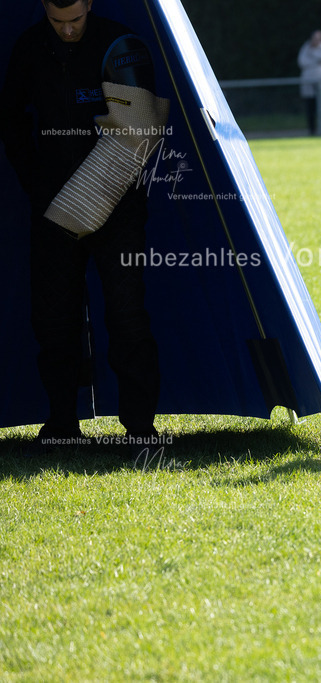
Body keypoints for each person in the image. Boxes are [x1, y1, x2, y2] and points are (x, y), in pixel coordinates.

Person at [0, 0, 165, 453]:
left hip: (119, 204)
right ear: (44, 11)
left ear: (90, 5)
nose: (68, 30)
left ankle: (141, 429)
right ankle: (61, 425)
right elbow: (11, 119)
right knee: (54, 320)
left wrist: (107, 190)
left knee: (127, 314)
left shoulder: (120, 43)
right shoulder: (30, 47)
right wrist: (36, 184)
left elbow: (143, 125)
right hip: (54, 204)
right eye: (58, 22)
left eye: (75, 20)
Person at [298, 30, 321, 135]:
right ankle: (312, 131)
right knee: (310, 109)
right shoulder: (305, 47)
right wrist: (315, 59)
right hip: (309, 85)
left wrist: (311, 56)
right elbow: (302, 61)